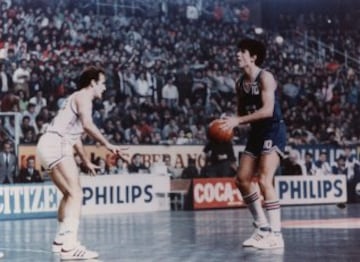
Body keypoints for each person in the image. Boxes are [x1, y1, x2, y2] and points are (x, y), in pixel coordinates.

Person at [36, 66, 127, 260]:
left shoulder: (75, 98)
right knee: (77, 193)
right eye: (102, 83)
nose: (104, 88)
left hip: (47, 144)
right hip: (57, 144)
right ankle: (70, 246)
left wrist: (86, 160)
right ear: (93, 83)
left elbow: (76, 136)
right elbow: (87, 125)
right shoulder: (85, 96)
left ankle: (60, 240)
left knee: (68, 193)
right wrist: (108, 145)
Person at [219, 39, 286, 249]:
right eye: (237, 51)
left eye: (242, 52)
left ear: (253, 56)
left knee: (265, 180)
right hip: (257, 132)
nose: (237, 55)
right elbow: (241, 114)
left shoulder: (266, 77)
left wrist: (238, 121)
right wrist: (229, 121)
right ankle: (262, 227)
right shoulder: (239, 83)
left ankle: (276, 235)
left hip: (273, 130)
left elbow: (267, 110)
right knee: (241, 179)